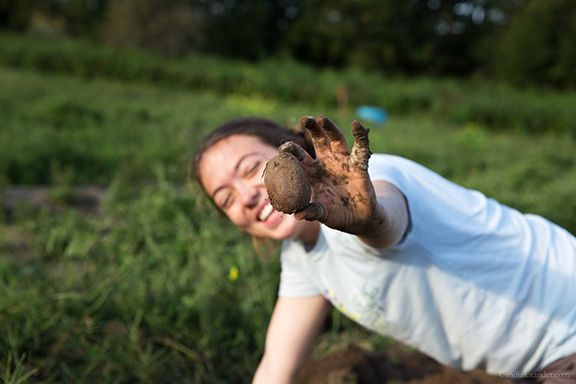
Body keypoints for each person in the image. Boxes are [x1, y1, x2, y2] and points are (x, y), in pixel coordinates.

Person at [190, 115, 576, 384]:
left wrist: (367, 217)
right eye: (225, 198)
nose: (245, 196)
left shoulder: (375, 181)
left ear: (291, 152)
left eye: (249, 168)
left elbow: (390, 224)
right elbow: (276, 367)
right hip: (529, 362)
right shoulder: (301, 259)